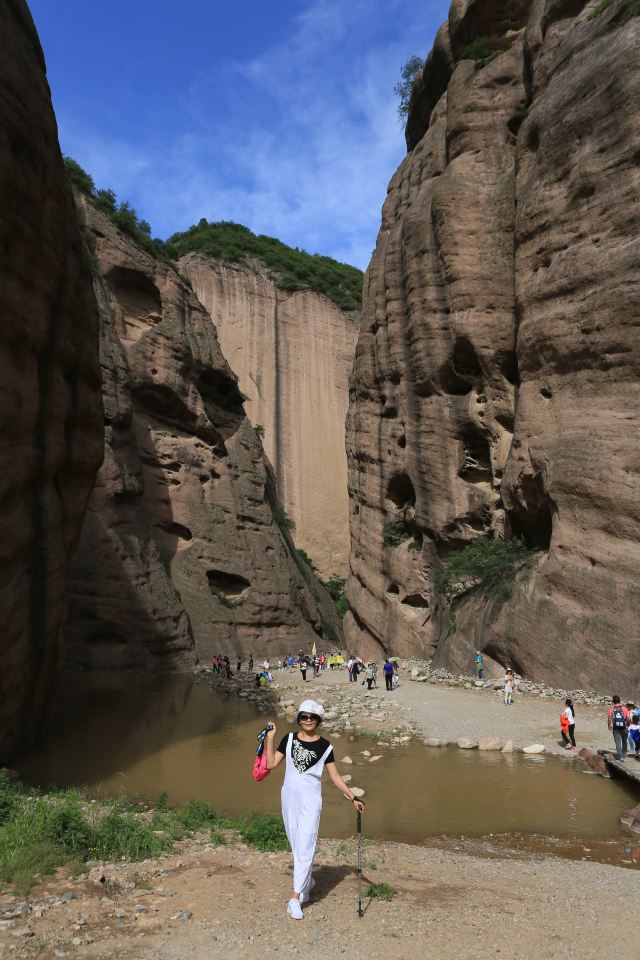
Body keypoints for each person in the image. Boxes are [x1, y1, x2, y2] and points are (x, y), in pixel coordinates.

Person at [265, 700, 365, 920]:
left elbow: (336, 777)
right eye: (304, 717)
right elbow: (271, 764)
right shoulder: (288, 739)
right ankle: (307, 880)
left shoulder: (326, 747)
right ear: (299, 718)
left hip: (311, 800)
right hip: (289, 797)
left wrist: (353, 797)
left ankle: (295, 897)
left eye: (312, 717)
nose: (307, 720)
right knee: (295, 842)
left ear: (318, 720)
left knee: (307, 844)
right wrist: (270, 739)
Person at [608, 695, 630, 761]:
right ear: (619, 701)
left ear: (613, 702)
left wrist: (609, 725)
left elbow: (609, 718)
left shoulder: (611, 709)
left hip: (616, 728)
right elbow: (628, 718)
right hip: (624, 727)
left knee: (618, 742)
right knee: (624, 741)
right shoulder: (625, 709)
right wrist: (628, 724)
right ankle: (624, 755)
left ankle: (620, 757)